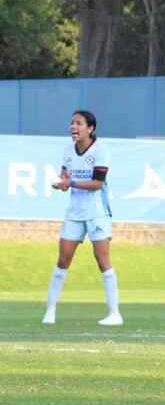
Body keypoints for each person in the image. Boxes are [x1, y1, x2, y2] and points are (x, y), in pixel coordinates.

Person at [42, 110, 122, 326]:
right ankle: (50, 311)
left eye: (78, 123)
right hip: (74, 213)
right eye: (71, 123)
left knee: (102, 260)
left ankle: (115, 314)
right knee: (63, 260)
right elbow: (65, 176)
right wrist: (61, 183)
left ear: (90, 128)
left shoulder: (101, 151)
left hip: (97, 213)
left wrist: (72, 184)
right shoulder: (68, 150)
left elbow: (97, 184)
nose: (73, 127)